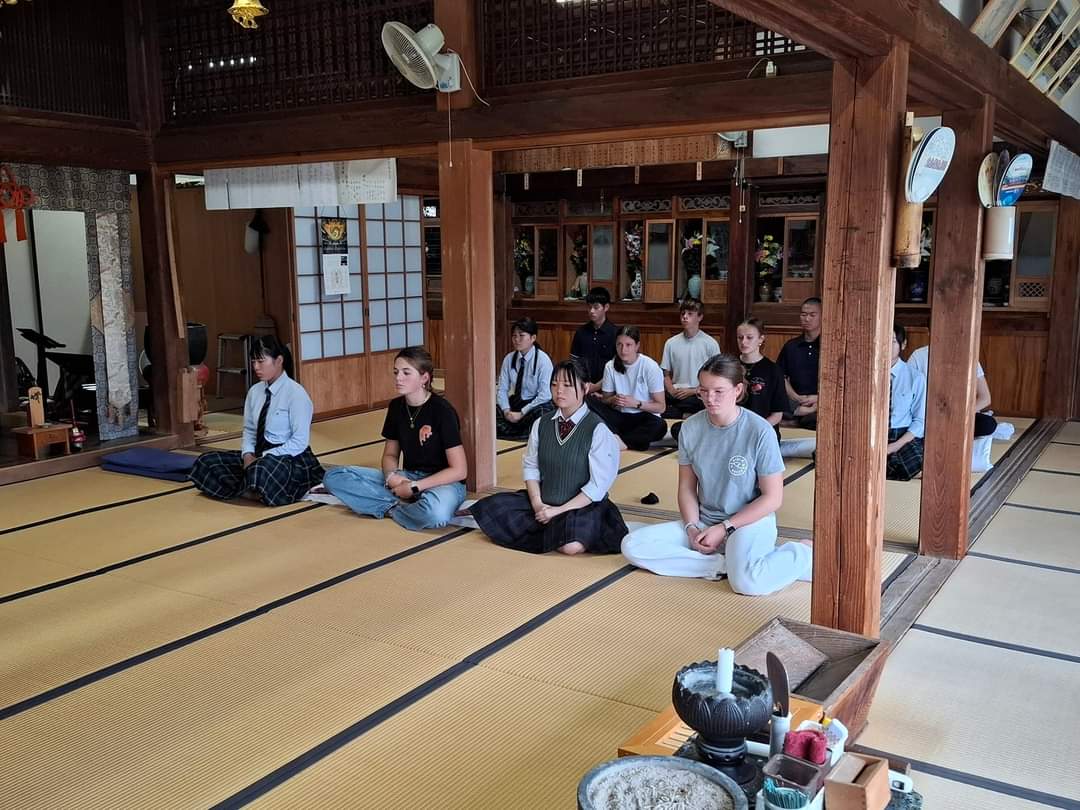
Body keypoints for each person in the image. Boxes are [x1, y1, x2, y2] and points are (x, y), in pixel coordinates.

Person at [621, 354, 812, 596]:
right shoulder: (691, 428)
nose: (709, 399)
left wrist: (725, 527)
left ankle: (802, 553)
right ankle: (720, 565)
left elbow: (772, 498)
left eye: (719, 391)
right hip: (705, 521)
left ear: (738, 390)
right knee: (633, 545)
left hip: (748, 522)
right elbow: (687, 488)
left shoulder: (760, 431)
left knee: (748, 584)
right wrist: (691, 527)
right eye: (703, 391)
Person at [468, 359, 628, 555]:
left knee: (570, 546)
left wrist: (557, 511)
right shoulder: (541, 423)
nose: (559, 390)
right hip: (545, 499)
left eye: (567, 385)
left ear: (585, 388)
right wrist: (537, 504)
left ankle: (555, 525)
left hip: (582, 505)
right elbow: (531, 466)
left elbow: (597, 486)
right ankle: (548, 523)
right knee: (491, 510)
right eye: (554, 384)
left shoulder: (598, 430)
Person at [320, 347, 467, 530]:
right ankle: (393, 507)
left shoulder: (442, 411)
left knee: (435, 514)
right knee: (334, 476)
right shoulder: (396, 407)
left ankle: (393, 504)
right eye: (396, 372)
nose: (398, 378)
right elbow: (390, 455)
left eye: (406, 373)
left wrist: (415, 487)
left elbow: (459, 470)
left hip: (443, 483)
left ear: (424, 378)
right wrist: (391, 477)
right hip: (407, 477)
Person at [190, 335, 323, 506]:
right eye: (253, 362)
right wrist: (247, 455)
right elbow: (250, 430)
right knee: (206, 462)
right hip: (258, 454)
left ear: (279, 360)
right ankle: (253, 489)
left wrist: (264, 457)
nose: (256, 367)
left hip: (288, 457)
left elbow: (299, 442)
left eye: (261, 361)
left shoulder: (296, 394)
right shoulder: (254, 392)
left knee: (262, 471)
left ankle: (248, 487)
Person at [589, 326, 668, 451]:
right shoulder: (610, 366)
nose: (623, 350)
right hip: (620, 416)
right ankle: (635, 442)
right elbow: (605, 400)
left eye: (628, 345)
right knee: (587, 401)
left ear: (637, 346)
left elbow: (661, 407)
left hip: (643, 417)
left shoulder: (650, 367)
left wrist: (636, 403)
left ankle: (620, 441)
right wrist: (613, 400)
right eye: (619, 345)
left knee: (660, 426)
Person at [906, 344, 996, 438]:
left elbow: (985, 398)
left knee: (988, 424)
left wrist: (961, 415)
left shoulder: (969, 355)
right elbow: (907, 394)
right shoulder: (918, 355)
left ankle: (946, 431)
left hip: (958, 416)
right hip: (927, 416)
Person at [660, 297, 720, 420]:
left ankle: (687, 415)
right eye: (683, 313)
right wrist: (671, 390)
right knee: (659, 406)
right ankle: (686, 416)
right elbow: (665, 374)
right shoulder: (671, 343)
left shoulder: (710, 343)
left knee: (707, 404)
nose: (685, 317)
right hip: (677, 393)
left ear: (700, 317)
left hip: (698, 393)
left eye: (690, 314)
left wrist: (693, 391)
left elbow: (717, 376)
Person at [495, 317, 555, 440]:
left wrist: (522, 413)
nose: (516, 340)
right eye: (514, 336)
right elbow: (502, 389)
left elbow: (545, 395)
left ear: (533, 338)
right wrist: (506, 411)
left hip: (533, 406)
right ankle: (519, 433)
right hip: (516, 404)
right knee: (492, 410)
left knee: (544, 412)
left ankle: (515, 434)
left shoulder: (543, 360)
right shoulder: (509, 359)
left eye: (521, 336)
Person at [887, 324, 927, 481]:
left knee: (918, 464)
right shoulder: (866, 373)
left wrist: (894, 446)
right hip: (871, 433)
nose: (886, 345)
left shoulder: (915, 377)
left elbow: (920, 421)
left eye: (892, 341)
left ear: (903, 344)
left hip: (902, 435)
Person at [735, 318, 786, 438]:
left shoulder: (773, 370)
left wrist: (757, 430)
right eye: (740, 337)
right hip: (735, 430)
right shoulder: (730, 366)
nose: (743, 342)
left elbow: (777, 415)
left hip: (763, 431)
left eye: (749, 337)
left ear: (761, 339)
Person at [777, 297, 822, 429]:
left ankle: (799, 419)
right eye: (803, 314)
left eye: (812, 315)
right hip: (795, 402)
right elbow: (781, 376)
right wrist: (795, 397)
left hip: (820, 402)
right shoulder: (791, 346)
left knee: (815, 419)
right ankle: (798, 416)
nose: (807, 319)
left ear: (822, 316)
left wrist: (818, 398)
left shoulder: (829, 348)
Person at [570, 287, 618, 393]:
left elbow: (617, 367)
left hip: (608, 389)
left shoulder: (615, 334)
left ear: (606, 307)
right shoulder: (581, 332)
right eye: (589, 307)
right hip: (583, 387)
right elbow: (574, 362)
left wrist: (596, 386)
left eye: (596, 307)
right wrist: (583, 384)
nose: (591, 311)